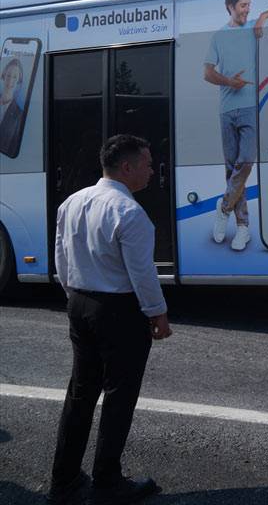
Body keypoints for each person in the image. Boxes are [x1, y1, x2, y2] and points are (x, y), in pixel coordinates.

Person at [47, 134, 172, 505]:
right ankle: (108, 481)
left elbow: (61, 256)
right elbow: (142, 274)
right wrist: (158, 315)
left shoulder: (72, 202)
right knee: (119, 396)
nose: (152, 170)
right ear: (127, 167)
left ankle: (64, 479)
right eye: (147, 163)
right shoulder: (130, 213)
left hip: (80, 304)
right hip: (119, 312)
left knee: (80, 394)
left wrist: (74, 296)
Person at [202, 0, 268, 251]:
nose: (247, 10)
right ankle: (243, 228)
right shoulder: (218, 37)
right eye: (243, 5)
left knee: (246, 161)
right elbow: (207, 73)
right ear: (230, 6)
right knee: (232, 168)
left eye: (249, 5)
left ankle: (224, 207)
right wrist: (230, 81)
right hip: (226, 110)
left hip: (250, 108)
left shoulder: (254, 26)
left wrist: (263, 16)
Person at [0, 57, 25, 157]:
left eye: (15, 77)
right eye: (8, 75)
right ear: (3, 75)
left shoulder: (19, 115)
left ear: (19, 81)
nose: (10, 80)